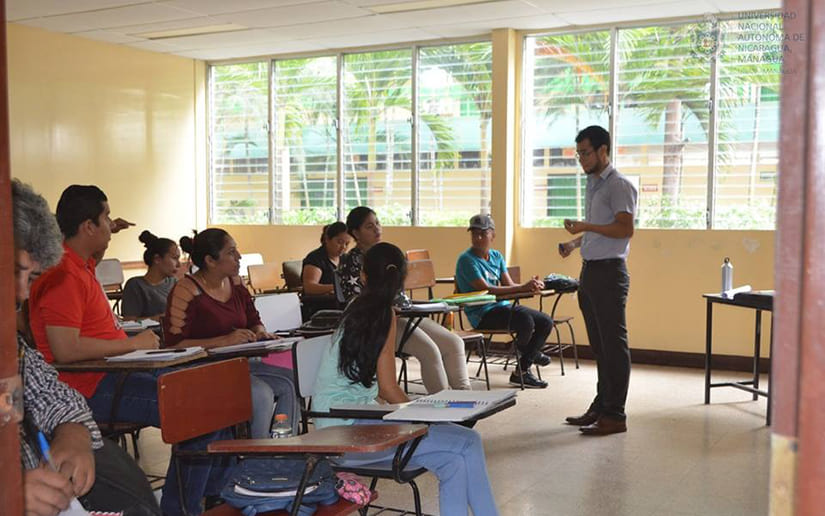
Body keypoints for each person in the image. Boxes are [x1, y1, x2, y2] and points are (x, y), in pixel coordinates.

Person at [28, 184, 231, 515]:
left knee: (217, 397)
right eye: (106, 218)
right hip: (89, 387)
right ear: (88, 226)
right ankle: (180, 510)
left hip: (116, 374)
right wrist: (132, 344)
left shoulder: (81, 265)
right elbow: (64, 349)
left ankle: (210, 499)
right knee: (202, 411)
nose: (111, 225)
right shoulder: (62, 274)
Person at [314, 243, 498, 516]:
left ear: (364, 276)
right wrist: (425, 416)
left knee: (453, 462)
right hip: (347, 433)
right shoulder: (383, 314)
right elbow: (389, 389)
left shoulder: (358, 307)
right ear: (402, 277)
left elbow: (379, 389)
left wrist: (422, 415)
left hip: (338, 425)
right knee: (468, 440)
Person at [12, 179, 160, 516]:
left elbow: (54, 396)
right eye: (14, 273)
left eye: (30, 279)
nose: (21, 294)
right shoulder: (66, 275)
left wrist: (74, 434)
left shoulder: (11, 348)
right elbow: (65, 351)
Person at [164, 228, 299, 437]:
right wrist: (223, 341)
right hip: (202, 370)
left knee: (293, 382)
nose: (239, 256)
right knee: (261, 394)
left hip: (239, 365)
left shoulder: (235, 283)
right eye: (231, 252)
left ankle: (282, 445)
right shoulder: (186, 290)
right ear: (210, 260)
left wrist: (260, 332)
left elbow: (253, 320)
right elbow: (174, 345)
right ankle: (257, 452)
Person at [336, 206, 470, 392]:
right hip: (379, 321)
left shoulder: (387, 254)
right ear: (356, 233)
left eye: (377, 223)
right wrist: (390, 311)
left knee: (454, 343)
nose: (377, 229)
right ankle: (442, 404)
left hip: (408, 315)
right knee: (429, 351)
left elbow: (399, 294)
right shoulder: (352, 262)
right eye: (369, 226)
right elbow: (359, 303)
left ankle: (465, 397)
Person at [559, 125, 637, 436]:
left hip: (609, 273)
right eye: (578, 154)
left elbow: (624, 229)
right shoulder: (593, 184)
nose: (581, 159)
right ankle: (601, 405)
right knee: (600, 347)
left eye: (586, 153)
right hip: (590, 272)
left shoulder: (618, 185)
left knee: (614, 347)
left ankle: (615, 415)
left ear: (603, 150)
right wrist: (574, 243)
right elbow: (601, 229)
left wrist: (585, 226)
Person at [455, 214, 554, 389]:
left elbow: (509, 285)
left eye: (483, 234)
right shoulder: (466, 260)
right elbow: (487, 289)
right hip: (482, 314)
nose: (478, 238)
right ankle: (530, 354)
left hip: (502, 307)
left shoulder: (496, 256)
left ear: (492, 235)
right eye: (474, 234)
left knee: (545, 321)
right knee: (525, 320)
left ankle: (522, 368)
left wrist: (531, 286)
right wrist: (522, 287)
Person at [121, 230, 180, 320]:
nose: (179, 264)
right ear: (157, 259)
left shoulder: (175, 282)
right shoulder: (135, 285)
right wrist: (159, 318)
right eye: (174, 258)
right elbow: (129, 320)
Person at [300, 222, 350, 320]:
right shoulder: (315, 258)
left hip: (340, 305)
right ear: (327, 239)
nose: (343, 247)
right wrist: (337, 287)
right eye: (339, 242)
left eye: (347, 244)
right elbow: (309, 287)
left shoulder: (345, 259)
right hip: (319, 308)